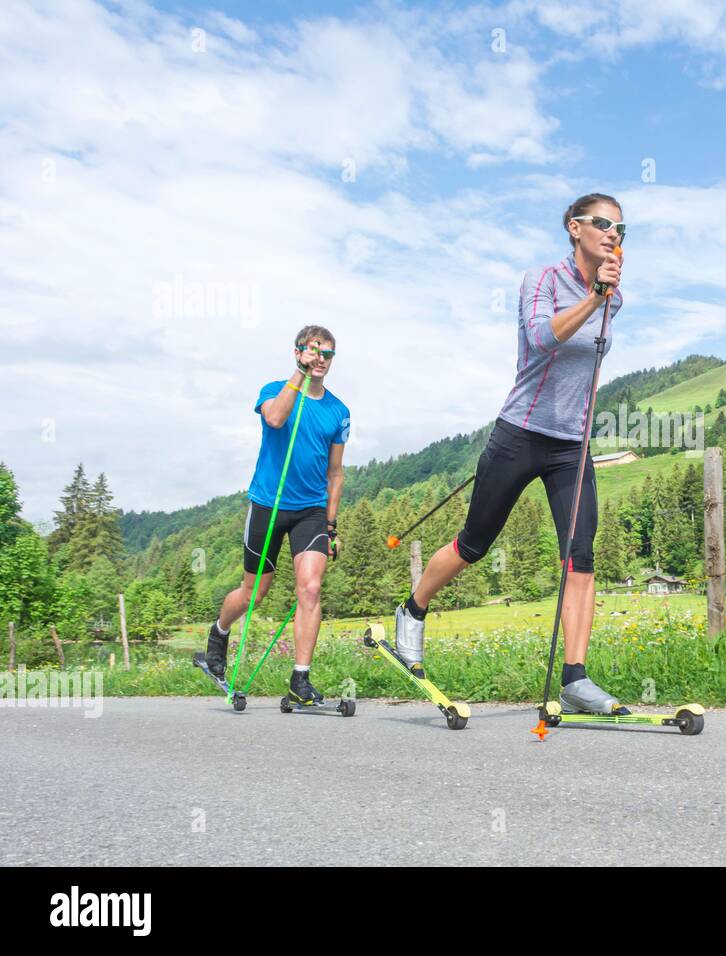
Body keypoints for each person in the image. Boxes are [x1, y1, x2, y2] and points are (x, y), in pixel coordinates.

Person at [395, 193, 626, 714]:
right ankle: (412, 609)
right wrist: (593, 296)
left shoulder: (616, 297)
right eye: (603, 223)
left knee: (581, 556)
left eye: (621, 227)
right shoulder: (541, 280)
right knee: (474, 543)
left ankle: (575, 678)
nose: (613, 232)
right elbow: (542, 338)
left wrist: (605, 295)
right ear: (574, 227)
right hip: (521, 432)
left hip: (573, 442)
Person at [205, 326, 350, 705]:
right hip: (268, 504)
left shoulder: (339, 411)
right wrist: (298, 375)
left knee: (311, 587)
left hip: (311, 511)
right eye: (313, 351)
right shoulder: (274, 389)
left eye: (327, 354)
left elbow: (336, 472)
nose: (321, 359)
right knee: (255, 592)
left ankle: (300, 679)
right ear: (298, 352)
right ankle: (219, 632)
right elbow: (274, 419)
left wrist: (331, 525)